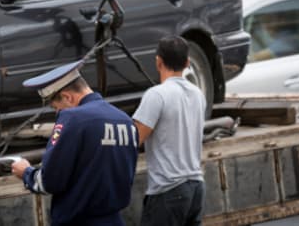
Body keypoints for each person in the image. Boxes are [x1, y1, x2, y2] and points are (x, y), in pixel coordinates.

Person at [12, 60, 139, 226]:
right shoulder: (126, 121)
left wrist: (26, 172)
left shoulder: (73, 119)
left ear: (67, 97)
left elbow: (50, 181)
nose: (58, 112)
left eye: (56, 107)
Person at [132, 36, 206, 226]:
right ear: (188, 63)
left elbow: (135, 139)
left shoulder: (156, 95)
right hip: (196, 186)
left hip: (169, 190)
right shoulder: (198, 94)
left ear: (158, 61)